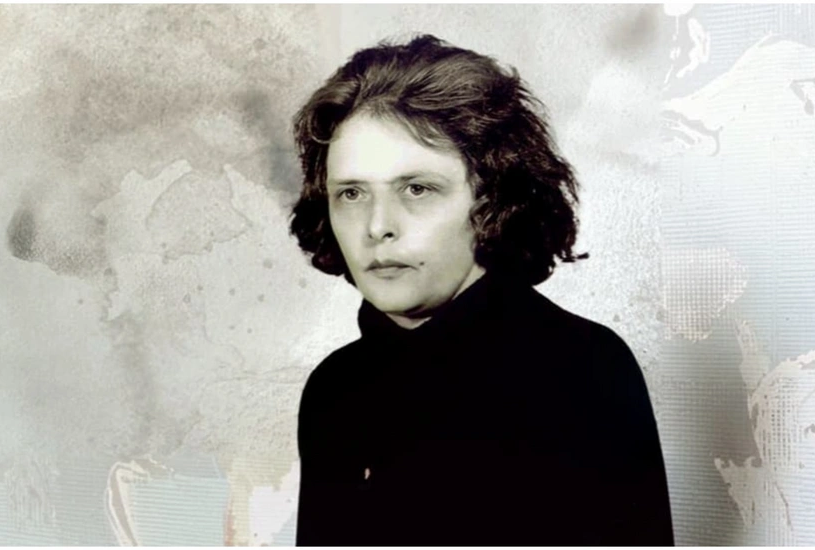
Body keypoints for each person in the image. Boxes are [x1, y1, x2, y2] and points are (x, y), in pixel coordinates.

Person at [289, 34, 674, 546]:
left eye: (417, 189)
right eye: (352, 193)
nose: (377, 226)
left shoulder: (582, 369)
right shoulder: (334, 388)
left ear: (494, 200)